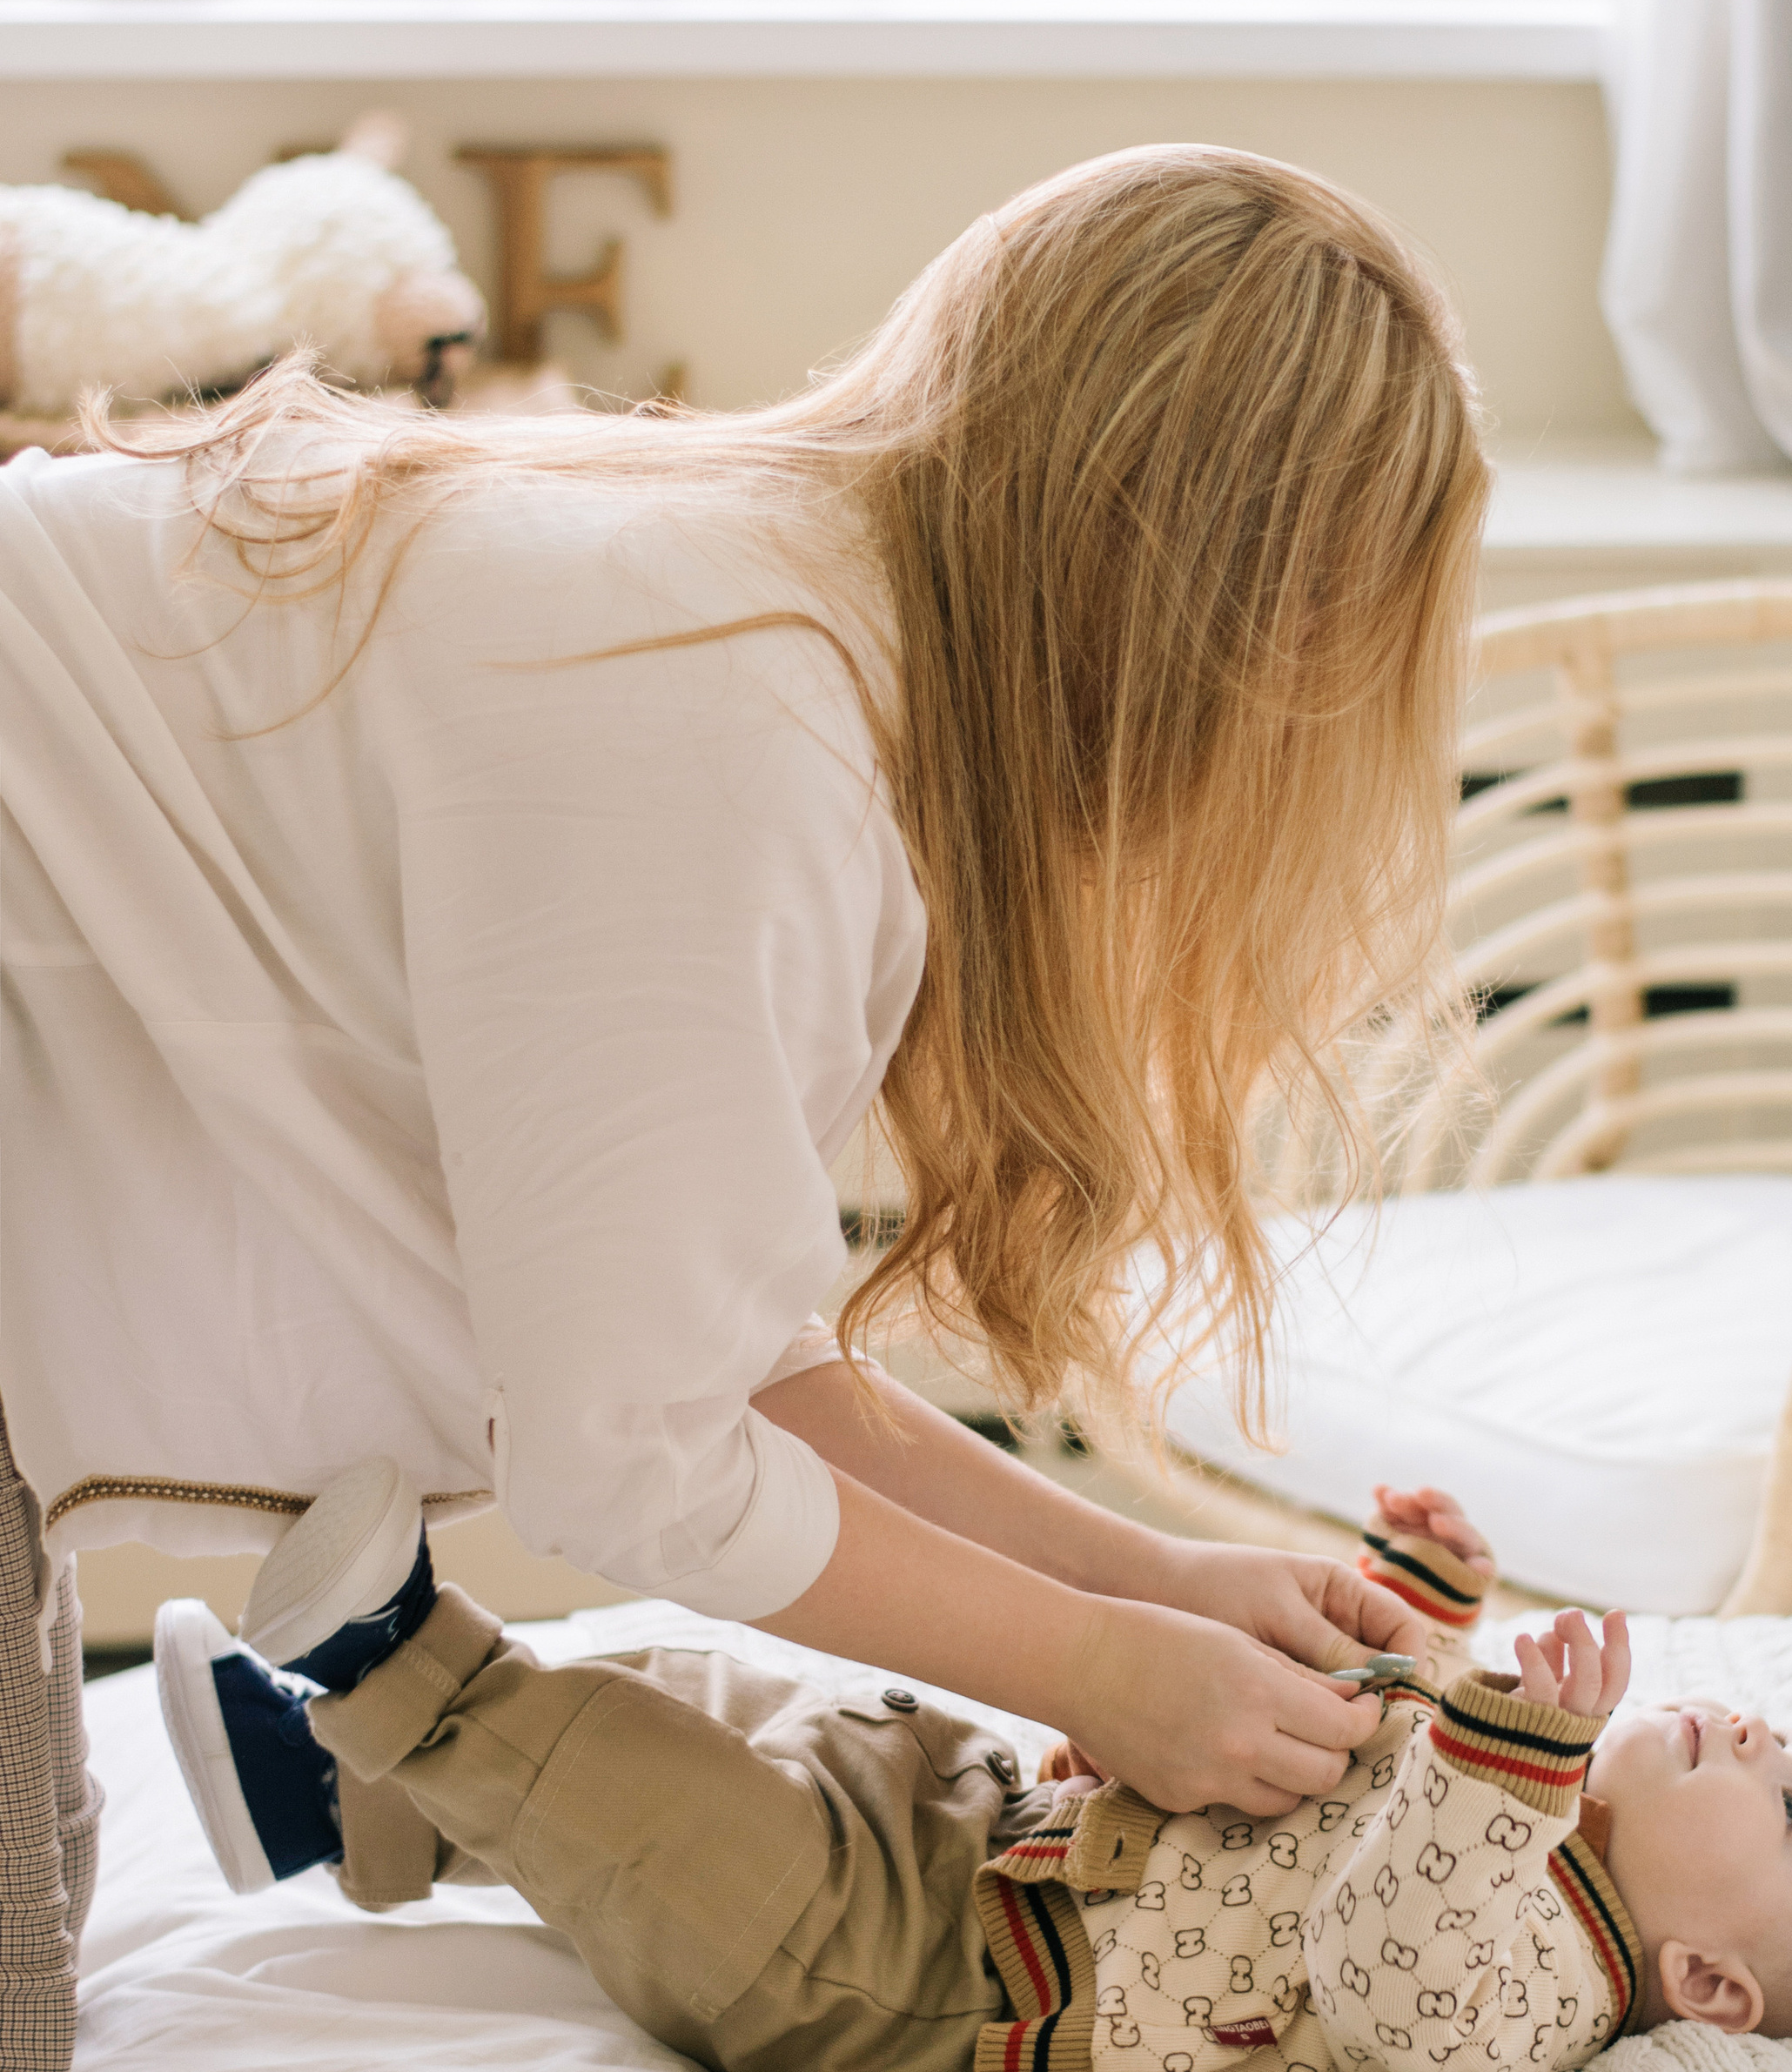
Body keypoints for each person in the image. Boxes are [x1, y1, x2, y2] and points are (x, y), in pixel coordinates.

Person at [0, 142, 1490, 1827]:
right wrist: (1092, 1671)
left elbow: (698, 1353)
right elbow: (629, 1456)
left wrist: (1149, 1585)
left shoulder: (760, 610)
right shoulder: (732, 729)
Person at [153, 1461, 1792, 2072]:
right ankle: (329, 1796)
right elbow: (1364, 1738)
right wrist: (1418, 1610)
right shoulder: (1520, 1794)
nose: (1757, 1740)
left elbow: (1391, 1956)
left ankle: (398, 1663)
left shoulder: (1542, 1994)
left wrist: (1509, 1761)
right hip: (988, 1809)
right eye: (1789, 1733)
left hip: (925, 1978)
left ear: (1709, 1984)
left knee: (662, 1820)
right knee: (701, 1695)